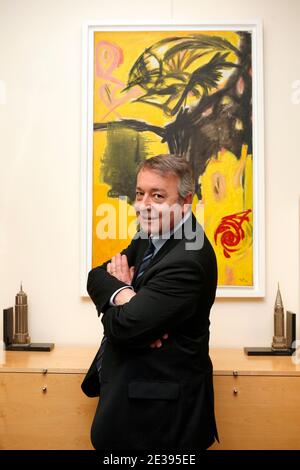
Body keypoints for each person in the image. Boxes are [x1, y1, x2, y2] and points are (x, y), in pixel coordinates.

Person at [82, 154, 218, 451]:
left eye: (157, 195)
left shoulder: (188, 259)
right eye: (140, 193)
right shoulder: (149, 235)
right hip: (131, 401)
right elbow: (96, 276)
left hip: (160, 422)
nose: (144, 205)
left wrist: (128, 311)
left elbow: (124, 328)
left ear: (186, 201)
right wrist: (128, 296)